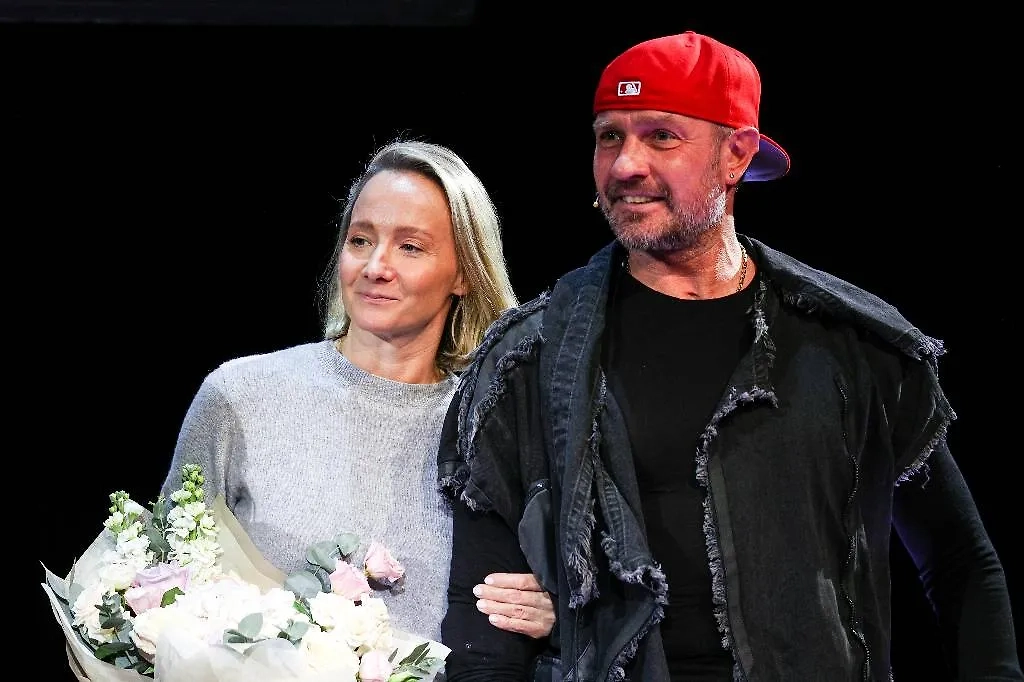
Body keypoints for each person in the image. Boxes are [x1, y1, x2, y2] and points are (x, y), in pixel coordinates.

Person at [438, 31, 1022, 681]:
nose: (626, 164)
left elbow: (960, 561)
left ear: (736, 155)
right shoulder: (528, 359)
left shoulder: (850, 346)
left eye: (661, 136)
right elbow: (483, 621)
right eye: (609, 136)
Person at [158, 138, 555, 660]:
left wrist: (556, 616)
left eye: (410, 247)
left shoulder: (494, 429)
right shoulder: (241, 396)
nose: (376, 266)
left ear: (464, 273)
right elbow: (161, 584)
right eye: (361, 240)